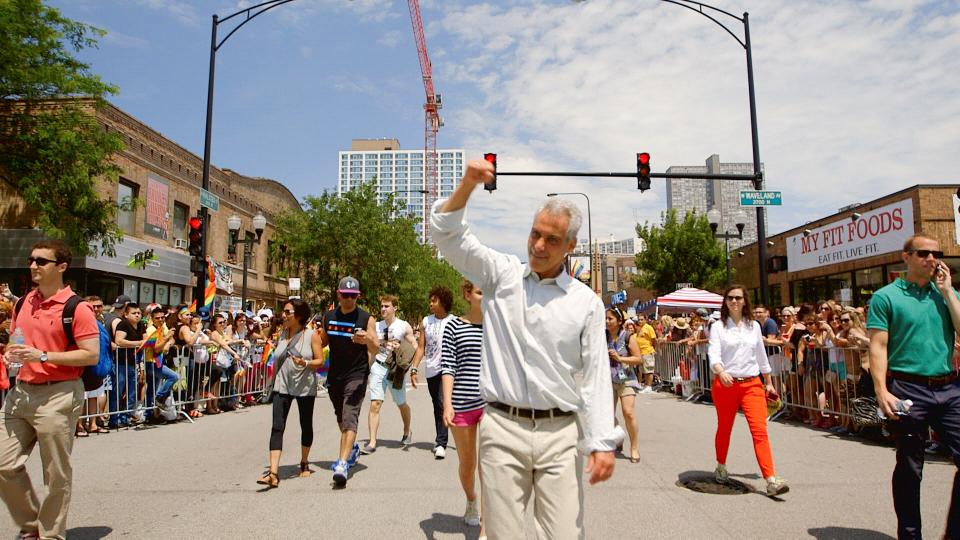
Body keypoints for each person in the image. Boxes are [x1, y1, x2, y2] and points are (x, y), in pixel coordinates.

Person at [431, 159, 622, 539]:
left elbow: (597, 377)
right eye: (535, 233)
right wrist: (467, 184)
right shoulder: (501, 275)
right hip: (502, 428)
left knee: (565, 534)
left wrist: (601, 442)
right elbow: (447, 236)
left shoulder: (585, 303)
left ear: (571, 246)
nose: (538, 245)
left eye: (552, 240)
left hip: (560, 434)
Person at [1, 240, 99, 539]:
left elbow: (90, 354)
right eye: (32, 260)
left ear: (61, 267)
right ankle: (32, 526)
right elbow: (18, 340)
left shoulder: (77, 308)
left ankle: (51, 534)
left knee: (55, 473)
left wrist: (43, 356)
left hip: (59, 393)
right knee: (4, 464)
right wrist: (10, 353)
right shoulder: (23, 302)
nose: (33, 265)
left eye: (41, 261)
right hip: (21, 392)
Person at [867, 234, 960, 540]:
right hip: (907, 389)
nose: (932, 259)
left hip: (948, 387)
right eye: (923, 253)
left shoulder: (945, 293)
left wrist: (947, 292)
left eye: (937, 254)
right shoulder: (886, 297)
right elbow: (878, 347)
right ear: (906, 257)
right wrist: (881, 390)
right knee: (910, 468)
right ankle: (910, 535)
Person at [707, 284, 789, 497]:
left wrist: (769, 382)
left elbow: (761, 357)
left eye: (738, 298)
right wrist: (720, 370)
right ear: (725, 302)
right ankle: (721, 465)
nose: (734, 301)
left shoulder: (753, 326)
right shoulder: (717, 327)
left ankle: (771, 479)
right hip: (726, 384)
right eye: (730, 298)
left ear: (745, 301)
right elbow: (713, 354)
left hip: (752, 384)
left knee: (759, 430)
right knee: (725, 428)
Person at [257, 299, 323, 489]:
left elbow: (319, 361)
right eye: (283, 312)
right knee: (277, 426)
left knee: (305, 424)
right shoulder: (282, 334)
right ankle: (273, 473)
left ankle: (304, 461)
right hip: (282, 385)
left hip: (304, 387)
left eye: (288, 312)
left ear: (299, 315)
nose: (283, 315)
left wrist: (306, 364)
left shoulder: (312, 335)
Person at [319, 276, 378, 487]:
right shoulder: (329, 316)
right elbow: (322, 341)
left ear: (358, 296)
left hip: (357, 374)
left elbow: (376, 348)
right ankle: (351, 449)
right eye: (345, 295)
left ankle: (342, 463)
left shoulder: (365, 318)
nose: (349, 300)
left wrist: (367, 340)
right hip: (335, 375)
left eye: (353, 296)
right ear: (338, 294)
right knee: (340, 417)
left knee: (350, 415)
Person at [441, 279, 486, 533]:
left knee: (490, 465)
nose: (486, 297)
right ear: (468, 295)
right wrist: (447, 404)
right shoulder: (454, 326)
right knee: (468, 463)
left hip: (492, 405)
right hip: (461, 403)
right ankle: (471, 499)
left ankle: (487, 527)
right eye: (481, 293)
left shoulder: (497, 325)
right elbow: (449, 366)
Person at [363, 295, 417, 454]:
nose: (383, 309)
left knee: (401, 404)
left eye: (387, 306)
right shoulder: (376, 326)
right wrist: (366, 370)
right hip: (378, 367)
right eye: (382, 306)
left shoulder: (403, 326)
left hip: (395, 370)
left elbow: (414, 346)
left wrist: (407, 362)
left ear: (395, 308)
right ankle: (372, 442)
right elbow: (370, 349)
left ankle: (407, 431)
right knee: (375, 404)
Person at [411, 286, 456, 459]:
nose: (430, 303)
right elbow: (421, 347)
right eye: (430, 300)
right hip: (431, 369)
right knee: (437, 405)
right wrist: (414, 368)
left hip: (449, 369)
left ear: (443, 302)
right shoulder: (426, 321)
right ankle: (443, 437)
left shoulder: (454, 321)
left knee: (441, 402)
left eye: (434, 300)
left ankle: (441, 442)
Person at [606, 308, 642, 462]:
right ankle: (618, 438)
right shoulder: (602, 336)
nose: (607, 322)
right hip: (607, 379)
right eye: (605, 319)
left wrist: (620, 358)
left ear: (619, 321)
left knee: (628, 412)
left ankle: (634, 447)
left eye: (610, 319)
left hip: (626, 378)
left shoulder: (628, 337)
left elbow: (638, 359)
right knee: (607, 415)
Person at [111, 303, 145, 428]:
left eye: (139, 313)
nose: (137, 315)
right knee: (118, 391)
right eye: (134, 313)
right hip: (121, 363)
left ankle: (125, 417)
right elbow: (119, 341)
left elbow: (146, 339)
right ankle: (114, 419)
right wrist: (138, 343)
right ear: (126, 314)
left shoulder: (141, 325)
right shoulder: (123, 324)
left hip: (133, 362)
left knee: (131, 392)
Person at [634, 313, 658, 393]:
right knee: (644, 370)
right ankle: (646, 385)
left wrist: (653, 349)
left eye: (642, 319)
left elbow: (654, 340)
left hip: (648, 351)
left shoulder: (649, 327)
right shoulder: (640, 328)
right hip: (641, 352)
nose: (640, 321)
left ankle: (649, 386)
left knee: (649, 370)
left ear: (645, 319)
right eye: (639, 319)